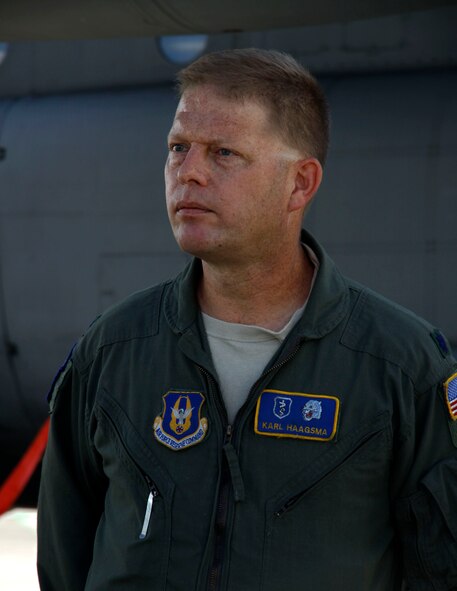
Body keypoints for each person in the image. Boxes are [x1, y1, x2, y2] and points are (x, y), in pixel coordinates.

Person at [37, 48, 457, 591]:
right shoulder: (113, 350)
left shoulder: (401, 366)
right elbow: (64, 561)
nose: (188, 173)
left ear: (300, 184)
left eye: (224, 153)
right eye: (177, 148)